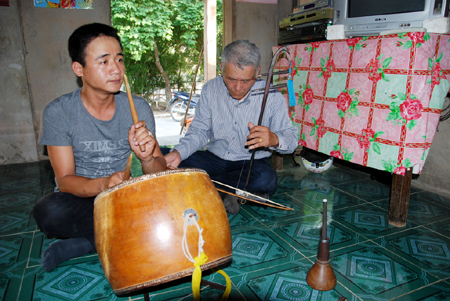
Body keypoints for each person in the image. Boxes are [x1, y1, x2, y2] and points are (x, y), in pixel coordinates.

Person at [33, 23, 166, 272]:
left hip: (132, 196)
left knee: (174, 194)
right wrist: (104, 185)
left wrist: (147, 159)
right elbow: (65, 180)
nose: (116, 69)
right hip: (87, 198)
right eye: (104, 62)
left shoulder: (138, 108)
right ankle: (127, 234)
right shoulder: (58, 112)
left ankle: (85, 243)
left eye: (119, 59)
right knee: (49, 212)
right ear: (78, 68)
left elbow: (158, 170)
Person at [163, 40, 298, 214]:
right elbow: (199, 131)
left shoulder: (271, 95)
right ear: (222, 67)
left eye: (246, 81)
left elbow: (292, 140)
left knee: (266, 180)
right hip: (214, 158)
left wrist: (274, 139)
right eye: (231, 79)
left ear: (257, 72)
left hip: (250, 162)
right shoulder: (211, 89)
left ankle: (203, 186)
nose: (238, 87)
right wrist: (179, 152)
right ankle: (224, 191)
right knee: (163, 155)